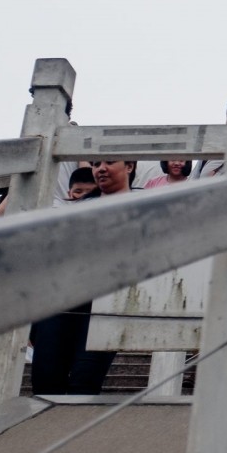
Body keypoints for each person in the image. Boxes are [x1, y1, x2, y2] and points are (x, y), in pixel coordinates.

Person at [30, 160, 134, 395]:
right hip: (59, 303)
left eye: (109, 163)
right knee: (45, 381)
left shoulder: (145, 206)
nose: (101, 168)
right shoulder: (76, 209)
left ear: (129, 166)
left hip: (106, 306)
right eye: (96, 164)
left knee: (84, 383)